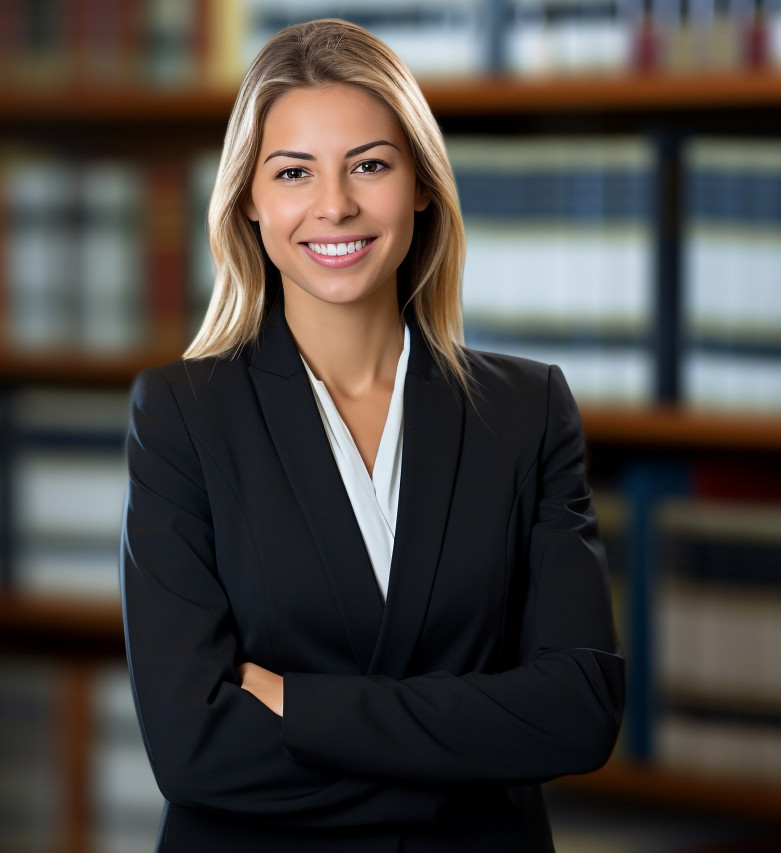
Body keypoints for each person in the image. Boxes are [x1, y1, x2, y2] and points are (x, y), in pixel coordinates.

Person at [120, 18, 623, 852]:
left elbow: (579, 711)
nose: (335, 205)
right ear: (250, 198)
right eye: (293, 172)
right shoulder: (181, 413)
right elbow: (191, 749)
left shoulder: (527, 410)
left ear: (421, 185)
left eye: (370, 165)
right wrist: (469, 766)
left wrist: (303, 707)